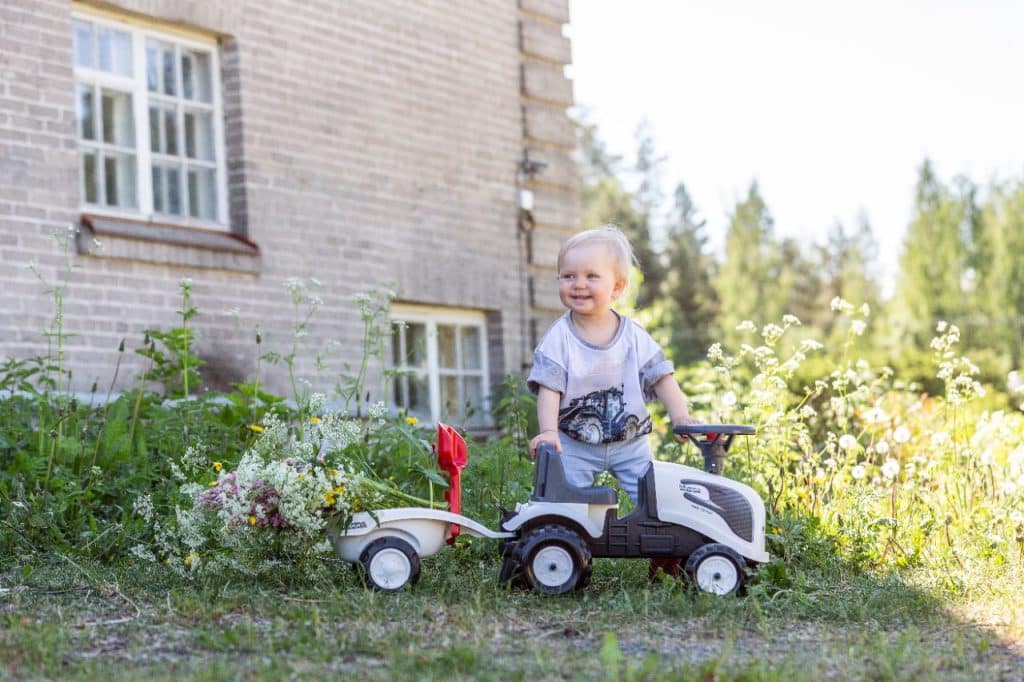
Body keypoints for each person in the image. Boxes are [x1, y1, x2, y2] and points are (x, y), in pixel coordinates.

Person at [526, 225, 699, 579]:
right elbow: (549, 388)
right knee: (562, 504)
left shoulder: (633, 336)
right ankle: (559, 555)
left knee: (655, 499)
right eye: (568, 276)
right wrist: (548, 432)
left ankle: (667, 555)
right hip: (574, 442)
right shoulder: (559, 338)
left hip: (630, 443)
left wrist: (681, 415)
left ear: (617, 287)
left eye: (592, 276)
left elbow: (661, 376)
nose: (578, 284)